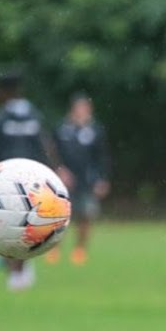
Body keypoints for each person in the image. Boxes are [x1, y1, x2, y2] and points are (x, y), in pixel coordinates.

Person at [0, 76, 60, 291]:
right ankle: (19, 268)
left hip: (5, 183)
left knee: (7, 225)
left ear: (4, 92)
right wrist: (53, 171)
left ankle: (16, 272)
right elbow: (45, 146)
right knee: (23, 225)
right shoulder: (34, 115)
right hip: (33, 181)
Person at [48, 93, 111, 266]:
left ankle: (80, 249)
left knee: (85, 216)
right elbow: (51, 152)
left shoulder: (95, 130)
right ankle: (53, 248)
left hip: (87, 181)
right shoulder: (61, 128)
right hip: (63, 182)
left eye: (86, 108)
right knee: (59, 216)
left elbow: (102, 156)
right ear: (72, 109)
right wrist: (59, 169)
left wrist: (102, 179)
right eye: (80, 108)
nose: (82, 111)